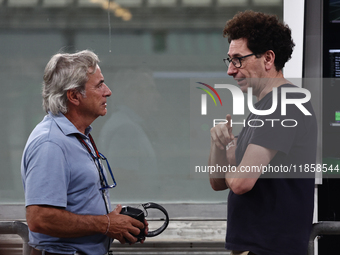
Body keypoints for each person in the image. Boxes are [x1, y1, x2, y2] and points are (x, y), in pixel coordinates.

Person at [209, 11, 317, 255]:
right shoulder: (265, 108)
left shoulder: (284, 104)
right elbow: (218, 182)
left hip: (270, 249)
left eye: (238, 59)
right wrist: (218, 143)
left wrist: (229, 152)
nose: (231, 70)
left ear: (268, 58)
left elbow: (239, 183)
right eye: (229, 60)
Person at [21, 50, 147, 255]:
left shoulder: (78, 136)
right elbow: (39, 218)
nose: (108, 91)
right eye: (99, 85)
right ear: (73, 96)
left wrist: (119, 222)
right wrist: (106, 224)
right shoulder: (51, 143)